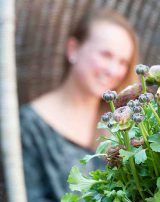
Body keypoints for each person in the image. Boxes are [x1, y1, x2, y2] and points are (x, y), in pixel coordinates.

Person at [19, 8, 139, 202]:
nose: (113, 70)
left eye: (123, 62)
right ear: (73, 49)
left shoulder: (124, 127)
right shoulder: (29, 126)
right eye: (106, 55)